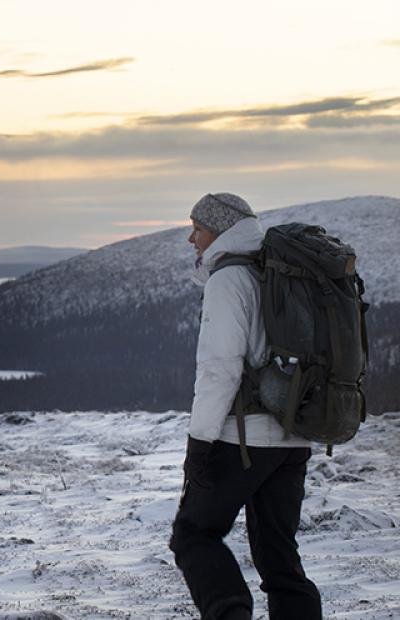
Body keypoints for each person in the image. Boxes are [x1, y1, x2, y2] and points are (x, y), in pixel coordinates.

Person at [170, 193, 322, 620]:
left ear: (219, 229)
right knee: (278, 557)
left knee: (193, 534)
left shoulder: (229, 279)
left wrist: (198, 445)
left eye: (197, 228)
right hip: (294, 436)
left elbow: (219, 370)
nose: (190, 238)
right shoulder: (282, 273)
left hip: (242, 439)